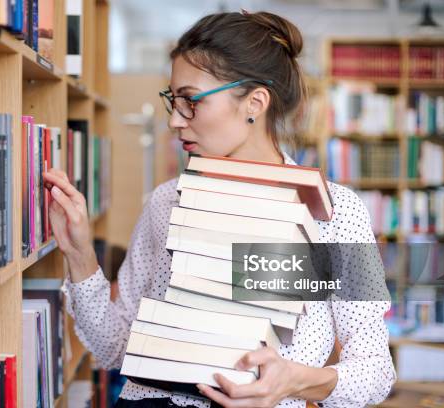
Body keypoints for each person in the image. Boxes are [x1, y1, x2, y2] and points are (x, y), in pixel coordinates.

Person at [43, 10, 396, 408]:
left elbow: (375, 371)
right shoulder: (166, 201)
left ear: (255, 103)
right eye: (172, 101)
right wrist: (79, 255)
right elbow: (114, 349)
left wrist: (295, 381)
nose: (175, 120)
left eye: (190, 101)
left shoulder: (334, 214)